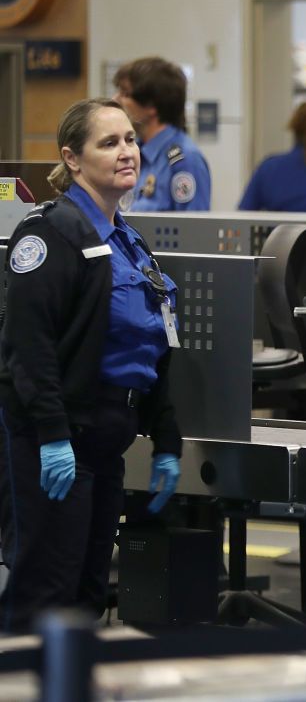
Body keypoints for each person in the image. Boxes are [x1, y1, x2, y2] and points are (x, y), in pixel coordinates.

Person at [0, 98, 182, 632]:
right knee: (44, 595)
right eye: (109, 143)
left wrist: (166, 436)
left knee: (86, 593)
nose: (127, 152)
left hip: (107, 440)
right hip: (56, 440)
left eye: (130, 139)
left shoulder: (126, 240)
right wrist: (53, 434)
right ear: (72, 159)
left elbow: (150, 341)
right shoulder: (51, 233)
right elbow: (27, 348)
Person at [113, 57, 211, 212]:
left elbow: (194, 231)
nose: (115, 100)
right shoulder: (134, 152)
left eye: (125, 93)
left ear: (151, 105)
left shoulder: (186, 160)